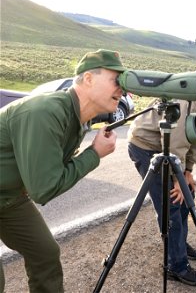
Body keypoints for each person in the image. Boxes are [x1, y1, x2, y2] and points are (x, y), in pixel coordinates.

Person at [0, 49, 124, 292]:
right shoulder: (46, 111)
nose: (122, 89)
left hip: (9, 197)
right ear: (88, 79)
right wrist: (94, 154)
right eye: (116, 80)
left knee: (45, 253)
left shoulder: (77, 119)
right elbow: (44, 189)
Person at [127, 61, 196, 286]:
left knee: (186, 197)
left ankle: (178, 244)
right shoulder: (189, 94)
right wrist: (176, 178)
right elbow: (177, 138)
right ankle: (175, 265)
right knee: (171, 204)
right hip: (148, 146)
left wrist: (187, 172)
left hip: (169, 149)